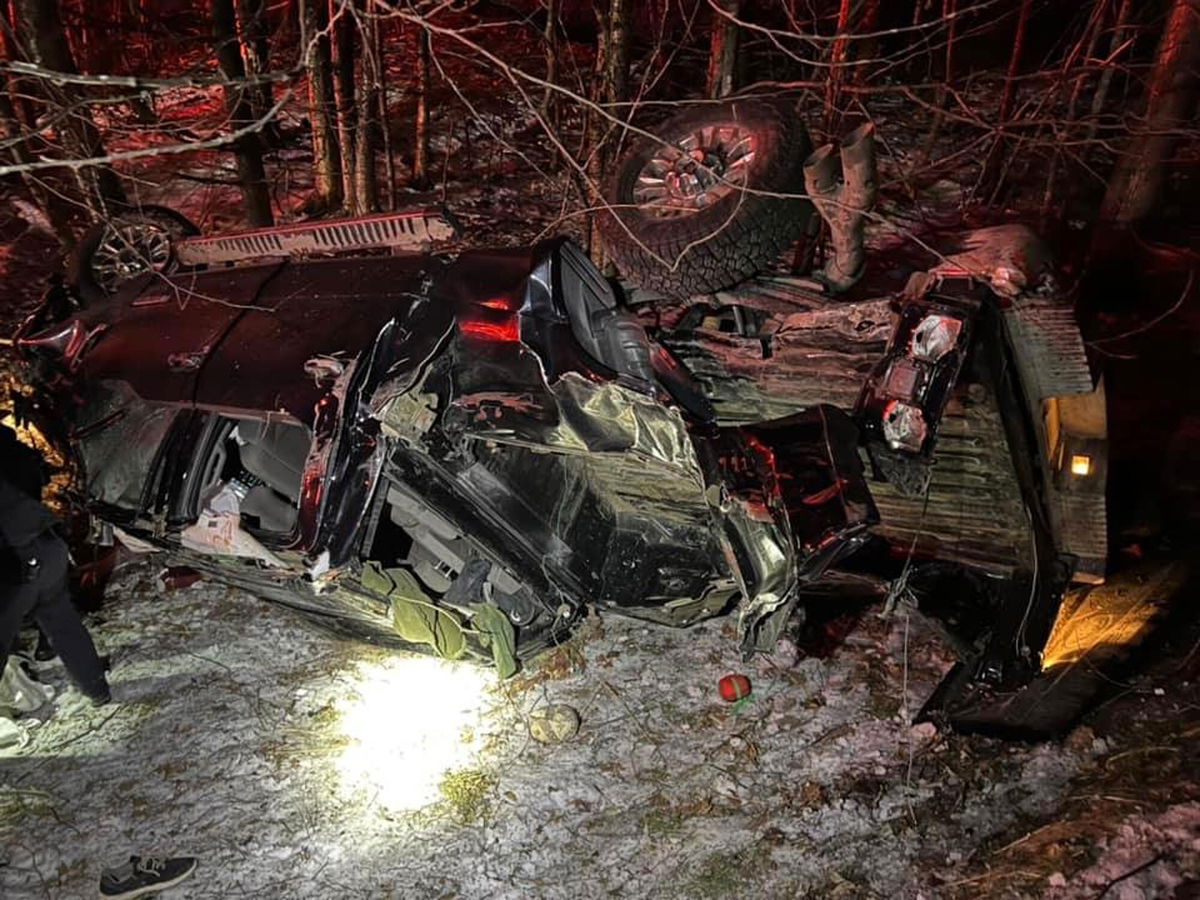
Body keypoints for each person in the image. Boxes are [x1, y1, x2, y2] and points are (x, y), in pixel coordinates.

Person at [0, 421, 110, 706]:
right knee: (61, 619)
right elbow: (38, 477)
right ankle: (97, 689)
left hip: (17, 560)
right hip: (48, 543)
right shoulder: (14, 451)